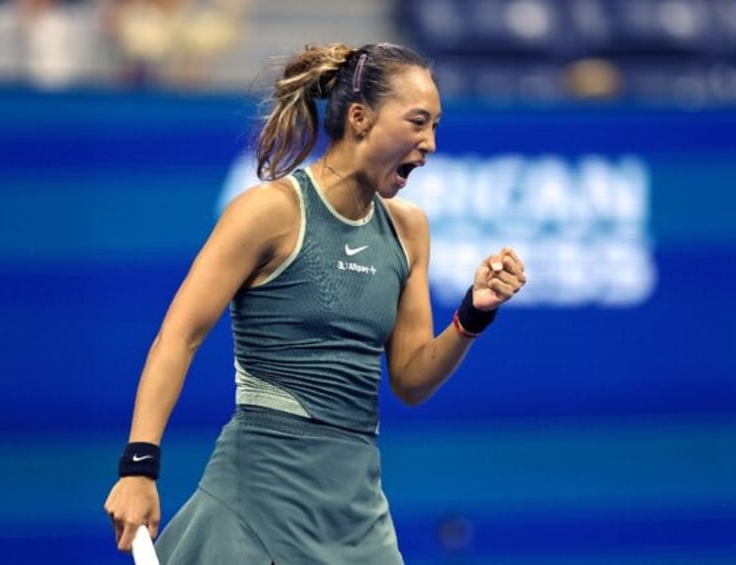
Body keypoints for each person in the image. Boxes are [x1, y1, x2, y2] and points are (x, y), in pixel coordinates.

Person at [104, 41, 526, 564]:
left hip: (356, 510)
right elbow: (178, 337)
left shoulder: (409, 230)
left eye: (436, 126)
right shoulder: (269, 212)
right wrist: (139, 467)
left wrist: (474, 311)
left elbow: (411, 379)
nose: (430, 143)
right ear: (359, 118)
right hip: (256, 499)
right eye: (418, 122)